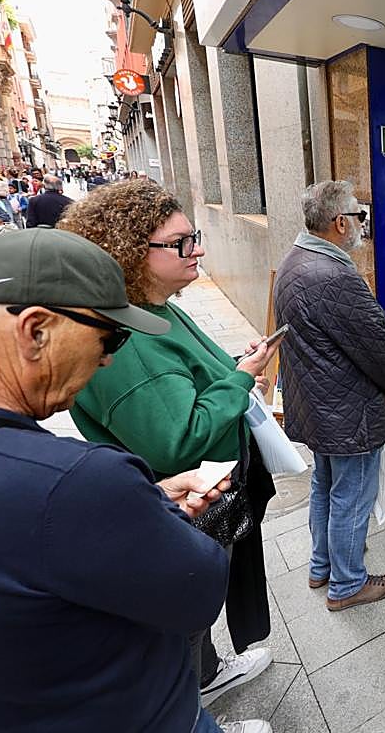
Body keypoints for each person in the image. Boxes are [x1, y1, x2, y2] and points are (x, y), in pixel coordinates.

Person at [0, 229, 273, 733]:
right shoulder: (77, 482)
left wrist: (146, 500)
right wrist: (151, 514)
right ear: (35, 331)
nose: (109, 358)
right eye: (109, 337)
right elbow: (196, 590)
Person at [59, 180, 276, 708]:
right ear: (132, 251)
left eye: (194, 236)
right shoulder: (127, 339)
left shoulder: (157, 306)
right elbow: (177, 442)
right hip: (192, 499)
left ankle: (205, 675)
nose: (196, 249)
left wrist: (233, 368)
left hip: (211, 488)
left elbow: (192, 377)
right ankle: (188, 701)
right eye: (180, 242)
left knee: (200, 602)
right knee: (186, 611)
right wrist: (241, 379)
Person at [274, 180, 385, 608]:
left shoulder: (295, 261)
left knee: (325, 484)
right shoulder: (334, 276)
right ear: (340, 222)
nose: (362, 226)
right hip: (347, 410)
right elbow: (377, 347)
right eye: (359, 217)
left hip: (316, 403)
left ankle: (321, 566)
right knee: (352, 492)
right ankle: (348, 584)